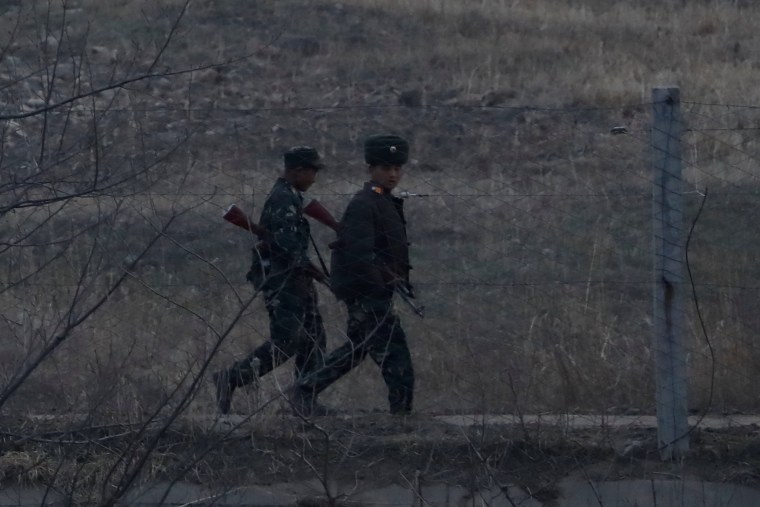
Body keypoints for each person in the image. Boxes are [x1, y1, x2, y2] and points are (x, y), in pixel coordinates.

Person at [290, 134, 416, 416]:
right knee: (396, 359)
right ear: (371, 169)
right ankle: (402, 419)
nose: (393, 174)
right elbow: (359, 256)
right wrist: (381, 283)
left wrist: (396, 279)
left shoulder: (383, 201)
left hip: (373, 291)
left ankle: (304, 390)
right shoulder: (365, 203)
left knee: (356, 350)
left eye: (397, 168)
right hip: (368, 294)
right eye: (386, 168)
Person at [213, 146, 331, 415]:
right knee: (286, 341)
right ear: (298, 171)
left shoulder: (291, 197)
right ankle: (231, 378)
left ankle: (304, 400)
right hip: (283, 281)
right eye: (312, 171)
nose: (314, 178)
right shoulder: (282, 200)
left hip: (295, 280)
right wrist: (312, 271)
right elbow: (287, 248)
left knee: (313, 339)